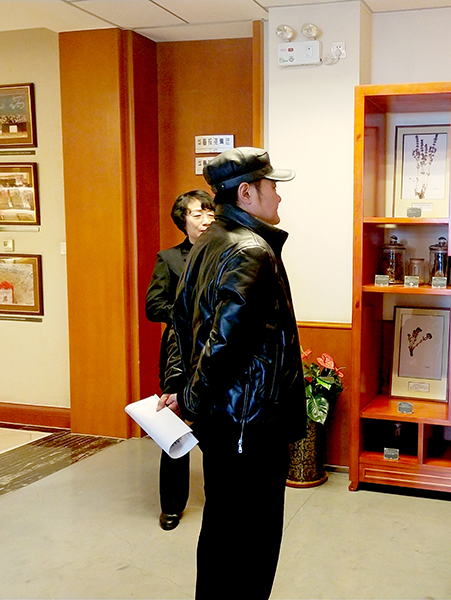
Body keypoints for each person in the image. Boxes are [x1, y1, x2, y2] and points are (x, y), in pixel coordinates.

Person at [160, 147, 306, 599]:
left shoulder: (208, 243)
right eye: (271, 186)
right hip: (251, 427)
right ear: (246, 193)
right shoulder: (250, 251)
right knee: (251, 547)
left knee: (222, 536)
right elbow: (224, 344)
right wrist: (190, 398)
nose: (278, 195)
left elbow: (181, 325)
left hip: (224, 423)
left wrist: (182, 389)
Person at [144, 190, 215, 531]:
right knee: (174, 427)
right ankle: (171, 505)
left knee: (216, 429)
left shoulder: (225, 253)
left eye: (210, 212)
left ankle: (220, 500)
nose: (206, 219)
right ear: (183, 221)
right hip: (178, 355)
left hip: (216, 352)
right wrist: (187, 313)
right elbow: (153, 306)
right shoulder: (169, 258)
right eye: (197, 214)